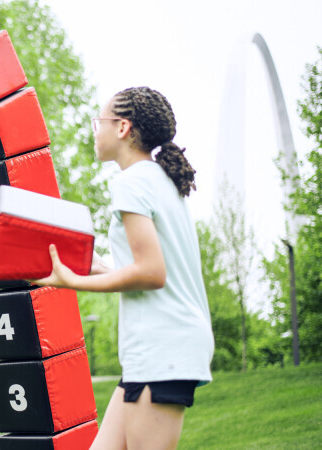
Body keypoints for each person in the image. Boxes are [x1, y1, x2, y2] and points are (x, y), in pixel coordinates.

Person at [33, 87, 214, 449]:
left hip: (163, 349)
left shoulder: (131, 182)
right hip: (157, 351)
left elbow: (152, 273)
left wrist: (75, 281)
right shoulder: (158, 180)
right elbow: (154, 267)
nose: (94, 130)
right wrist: (100, 269)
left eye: (98, 122)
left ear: (122, 128)